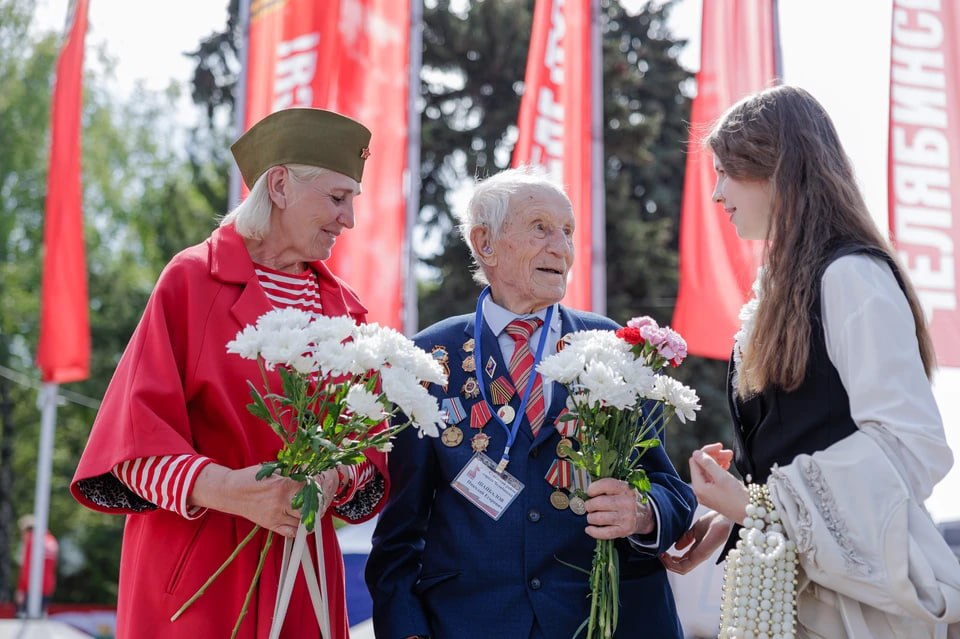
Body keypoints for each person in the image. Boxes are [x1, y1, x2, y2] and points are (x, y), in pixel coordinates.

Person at [70, 108, 388, 639]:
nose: (349, 219)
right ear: (281, 186)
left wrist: (333, 477)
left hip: (301, 573)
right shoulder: (192, 280)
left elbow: (369, 451)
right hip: (198, 577)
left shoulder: (348, 313)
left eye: (352, 200)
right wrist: (229, 490)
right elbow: (130, 444)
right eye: (337, 198)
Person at [661, 85, 960, 637]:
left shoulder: (851, 276)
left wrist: (759, 504)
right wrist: (729, 514)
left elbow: (913, 445)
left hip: (856, 612)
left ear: (777, 170)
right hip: (793, 593)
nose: (717, 194)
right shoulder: (784, 292)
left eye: (728, 170)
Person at [366, 166, 696, 639]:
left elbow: (670, 488)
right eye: (540, 228)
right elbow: (399, 533)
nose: (561, 248)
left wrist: (642, 512)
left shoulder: (612, 344)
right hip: (473, 622)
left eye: (568, 232)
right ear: (486, 243)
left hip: (607, 622)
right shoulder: (425, 360)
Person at [14, 514, 58, 617]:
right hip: (48, 587)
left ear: (27, 530)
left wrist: (21, 589)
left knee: (25, 619)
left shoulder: (32, 541)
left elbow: (27, 568)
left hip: (32, 587)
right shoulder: (51, 540)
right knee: (40, 618)